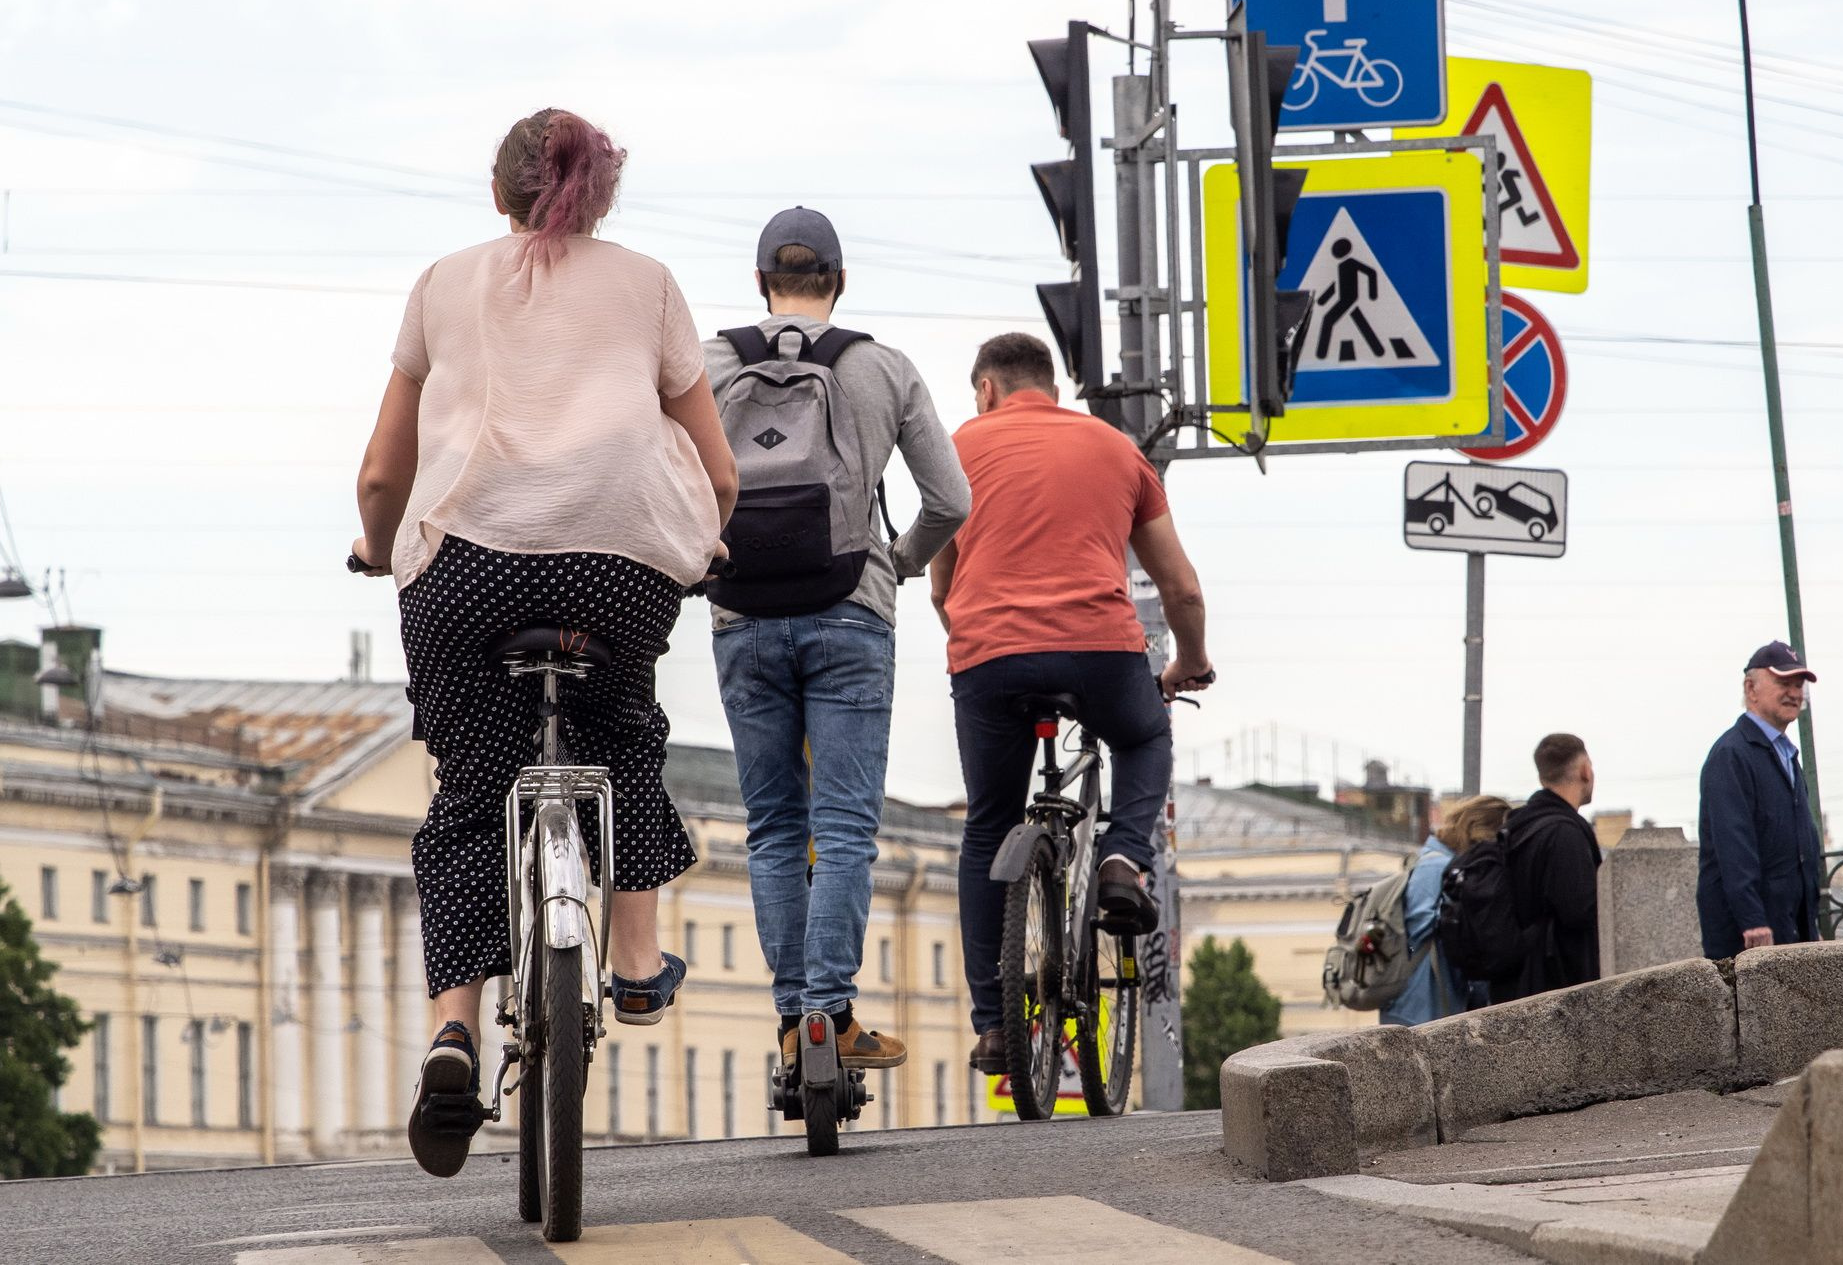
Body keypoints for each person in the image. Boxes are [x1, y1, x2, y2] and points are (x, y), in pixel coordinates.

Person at [350, 108, 738, 1178]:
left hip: (466, 559)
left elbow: (382, 475)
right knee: (623, 727)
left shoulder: (441, 283)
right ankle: (633, 957)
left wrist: (379, 547)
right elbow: (716, 468)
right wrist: (708, 545)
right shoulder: (649, 282)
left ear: (498, 194)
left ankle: (454, 1030)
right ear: (600, 196)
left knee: (472, 786)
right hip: (618, 562)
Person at [702, 207, 970, 1072]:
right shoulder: (881, 367)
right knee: (846, 824)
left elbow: (657, 473)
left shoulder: (707, 365)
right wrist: (893, 561)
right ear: (840, 281)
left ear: (758, 284)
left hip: (742, 613)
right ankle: (831, 1012)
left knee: (774, 825)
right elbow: (952, 501)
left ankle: (793, 1021)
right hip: (851, 609)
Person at [929, 333, 1214, 1075]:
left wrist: (980, 648)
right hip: (1101, 651)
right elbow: (1180, 588)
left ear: (986, 389)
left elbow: (940, 589)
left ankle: (994, 1026)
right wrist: (1191, 659)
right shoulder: (1119, 450)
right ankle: (1122, 858)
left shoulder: (957, 447)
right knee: (1143, 737)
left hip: (990, 656)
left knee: (987, 825)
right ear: (1050, 386)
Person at [1696, 642, 1824, 960]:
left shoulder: (1786, 754)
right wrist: (1752, 919)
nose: (1794, 693)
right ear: (1751, 689)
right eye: (1783, 683)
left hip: (1789, 925)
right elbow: (1733, 843)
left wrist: (1810, 922)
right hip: (1752, 935)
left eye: (1799, 686)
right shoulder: (1732, 754)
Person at [1490, 734, 1602, 1004]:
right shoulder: (1564, 833)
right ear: (1585, 770)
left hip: (1515, 987)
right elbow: (1578, 912)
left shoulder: (1516, 826)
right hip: (1559, 996)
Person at [1380, 795, 1510, 1026]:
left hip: (1422, 1002)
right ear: (1479, 831)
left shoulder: (1437, 861)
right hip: (1423, 1005)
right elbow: (1422, 932)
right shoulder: (1437, 865)